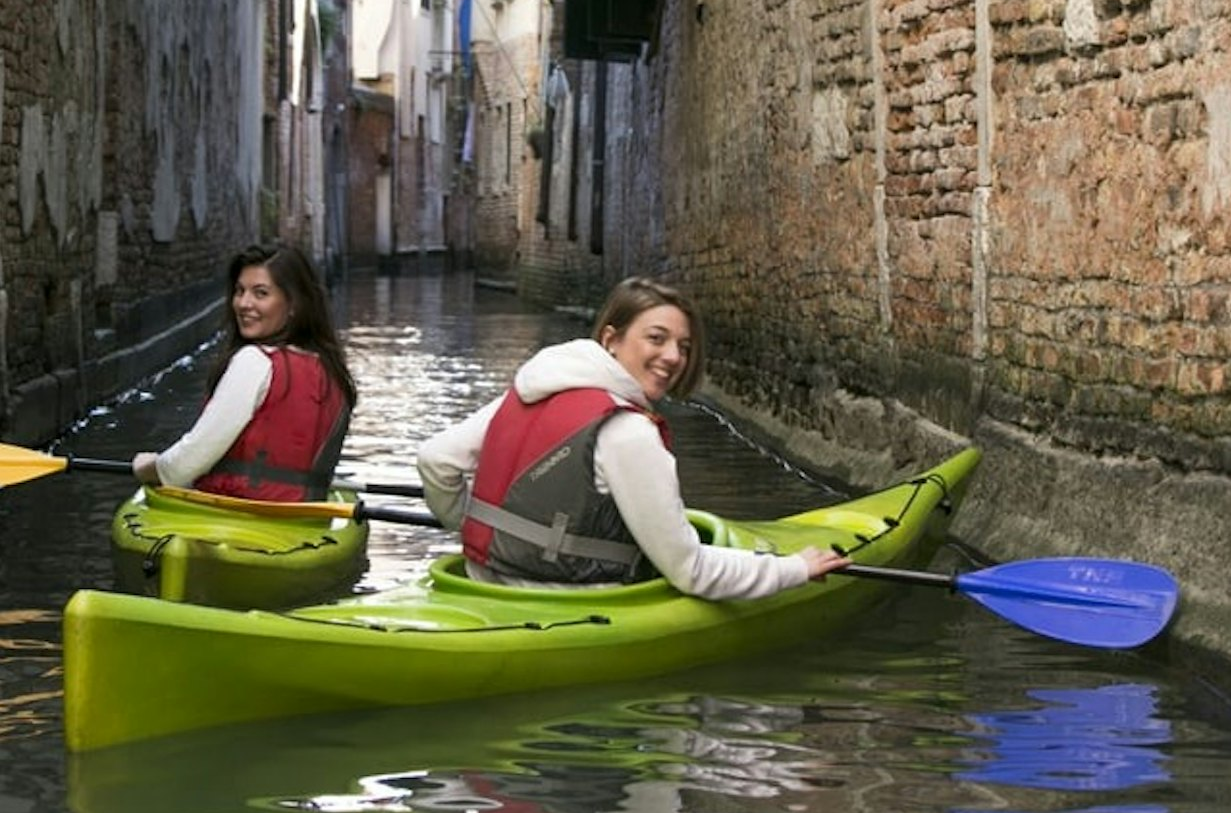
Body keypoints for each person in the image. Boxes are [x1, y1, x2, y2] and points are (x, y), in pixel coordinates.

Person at [416, 276, 849, 599]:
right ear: (612, 339)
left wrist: (473, 528)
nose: (673, 357)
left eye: (684, 345)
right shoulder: (628, 432)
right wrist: (794, 570)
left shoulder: (530, 390)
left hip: (483, 584)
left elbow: (437, 459)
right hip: (564, 601)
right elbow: (689, 572)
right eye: (656, 339)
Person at [131, 243, 357, 502]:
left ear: (294, 304)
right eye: (239, 291)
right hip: (303, 519)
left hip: (238, 515)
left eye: (260, 294)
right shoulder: (333, 370)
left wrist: (151, 467)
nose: (243, 303)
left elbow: (187, 463)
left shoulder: (254, 361)